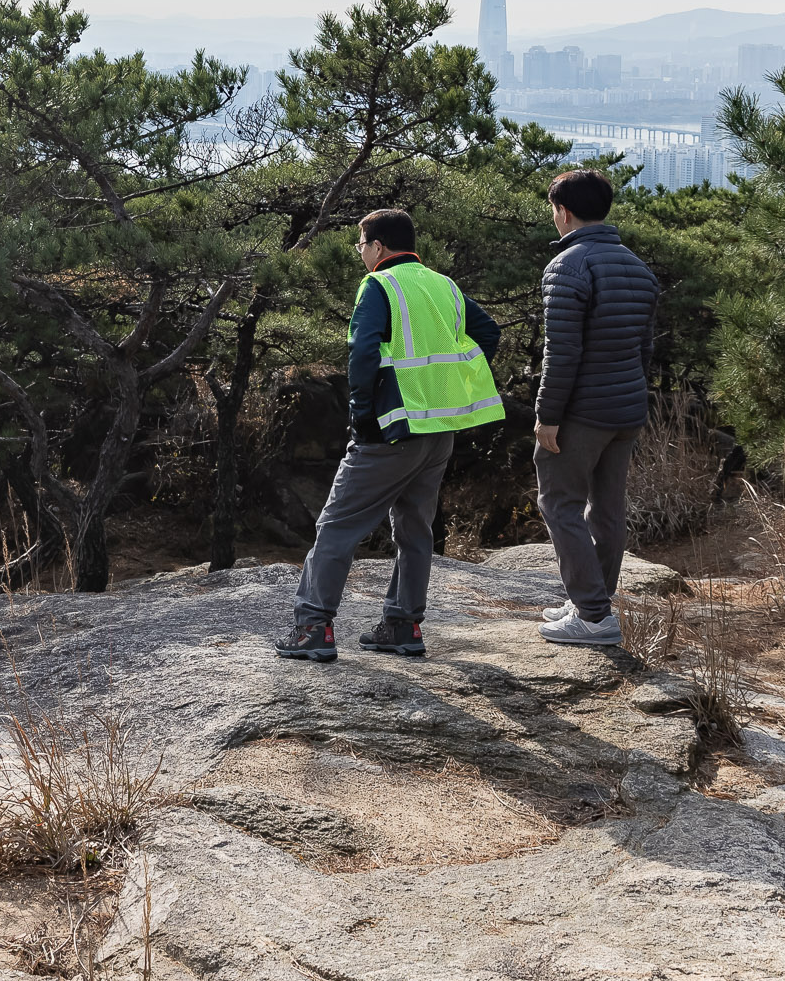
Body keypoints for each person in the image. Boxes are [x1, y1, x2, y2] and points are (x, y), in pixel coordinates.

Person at [274, 208, 503, 662]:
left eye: (361, 245)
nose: (361, 254)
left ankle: (313, 629)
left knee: (338, 526)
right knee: (416, 528)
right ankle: (403, 626)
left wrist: (362, 413)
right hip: (439, 432)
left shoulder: (379, 285)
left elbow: (362, 351)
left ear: (378, 246)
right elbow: (488, 335)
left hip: (391, 430)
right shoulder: (445, 286)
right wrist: (450, 383)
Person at [531, 168, 661, 647]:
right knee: (607, 508)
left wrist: (548, 415)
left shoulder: (569, 266)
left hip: (583, 411)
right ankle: (595, 602)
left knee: (560, 502)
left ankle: (591, 615)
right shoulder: (635, 264)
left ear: (563, 211)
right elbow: (645, 348)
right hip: (626, 408)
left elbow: (561, 351)